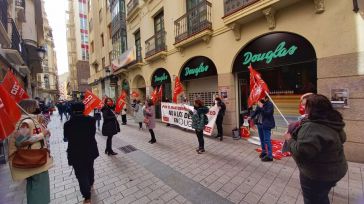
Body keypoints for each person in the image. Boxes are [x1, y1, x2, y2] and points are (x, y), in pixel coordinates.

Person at [283, 94, 348, 204]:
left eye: (305, 106)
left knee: (313, 199)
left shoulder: (312, 127)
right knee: (321, 198)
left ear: (312, 108)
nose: (303, 108)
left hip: (317, 175)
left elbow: (301, 153)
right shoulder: (332, 120)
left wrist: (289, 139)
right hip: (336, 170)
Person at [8, 99, 52, 204]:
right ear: (30, 107)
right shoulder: (25, 122)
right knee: (40, 188)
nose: (39, 107)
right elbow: (20, 141)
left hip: (34, 160)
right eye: (36, 106)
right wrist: (42, 134)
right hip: (35, 160)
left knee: (34, 187)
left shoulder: (27, 120)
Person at [64, 102, 99, 204]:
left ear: (72, 110)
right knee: (90, 166)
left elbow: (66, 138)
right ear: (83, 109)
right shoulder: (91, 120)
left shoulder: (68, 124)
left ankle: (87, 197)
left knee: (81, 174)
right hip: (90, 149)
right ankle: (91, 182)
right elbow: (92, 133)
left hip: (76, 152)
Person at [250, 96, 275, 162]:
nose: (261, 98)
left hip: (266, 124)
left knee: (267, 140)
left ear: (266, 98)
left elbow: (268, 114)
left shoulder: (270, 104)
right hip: (259, 124)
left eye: (262, 97)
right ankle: (264, 152)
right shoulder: (260, 102)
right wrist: (251, 117)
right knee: (262, 139)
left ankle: (270, 156)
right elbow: (256, 112)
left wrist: (261, 107)